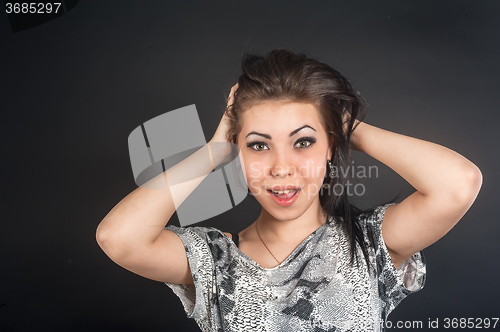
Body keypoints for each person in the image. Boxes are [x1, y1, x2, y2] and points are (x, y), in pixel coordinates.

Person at [96, 49, 482, 332]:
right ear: (238, 151)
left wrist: (343, 127)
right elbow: (119, 238)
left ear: (330, 146)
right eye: (259, 145)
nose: (282, 167)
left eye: (303, 142)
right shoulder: (215, 262)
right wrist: (213, 150)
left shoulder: (370, 243)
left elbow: (458, 184)